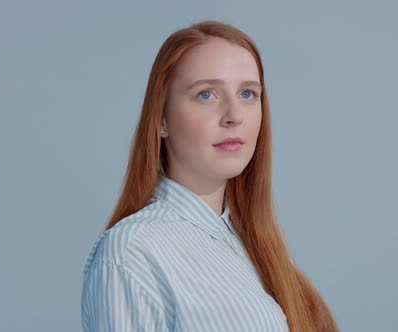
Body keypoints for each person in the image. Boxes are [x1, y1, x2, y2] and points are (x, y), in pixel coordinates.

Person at [80, 20, 339, 332]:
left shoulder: (257, 248)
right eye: (206, 94)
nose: (234, 115)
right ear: (161, 120)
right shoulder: (132, 253)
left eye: (247, 93)